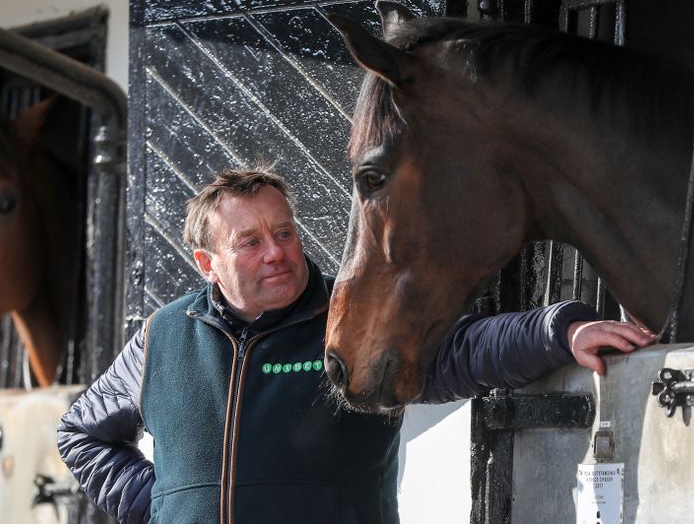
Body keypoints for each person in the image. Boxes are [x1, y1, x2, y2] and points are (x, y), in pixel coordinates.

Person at [57, 168, 653, 524]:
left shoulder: (353, 320)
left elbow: (464, 349)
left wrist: (560, 330)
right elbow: (80, 433)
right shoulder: (161, 336)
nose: (276, 251)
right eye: (251, 241)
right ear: (208, 265)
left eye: (284, 232)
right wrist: (157, 505)